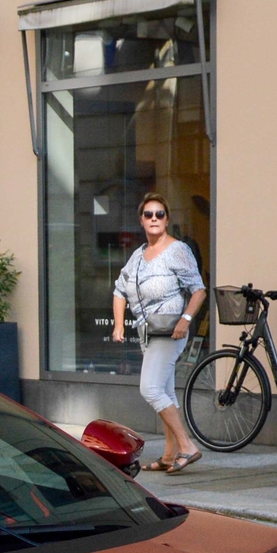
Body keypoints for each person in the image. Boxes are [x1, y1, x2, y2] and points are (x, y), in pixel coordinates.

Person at [111, 191, 206, 474]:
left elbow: (198, 290)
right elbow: (119, 290)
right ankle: (168, 455)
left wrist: (186, 319)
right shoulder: (138, 256)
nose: (154, 219)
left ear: (167, 220)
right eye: (149, 214)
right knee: (164, 391)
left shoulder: (177, 250)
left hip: (170, 332)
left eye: (160, 214)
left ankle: (187, 446)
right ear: (141, 220)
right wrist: (118, 324)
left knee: (150, 388)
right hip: (147, 332)